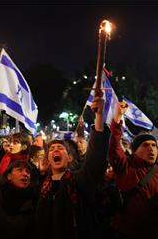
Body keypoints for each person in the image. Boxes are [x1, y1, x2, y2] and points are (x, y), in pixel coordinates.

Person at [34, 95, 111, 239]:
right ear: (48, 160)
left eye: (60, 148)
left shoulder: (79, 180)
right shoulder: (41, 186)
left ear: (69, 157)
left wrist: (99, 116)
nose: (56, 149)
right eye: (52, 149)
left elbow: (96, 158)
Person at [109, 101, 158, 238]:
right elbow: (115, 146)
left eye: (153, 145)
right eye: (145, 145)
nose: (151, 148)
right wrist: (117, 117)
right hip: (130, 232)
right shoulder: (126, 167)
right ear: (135, 151)